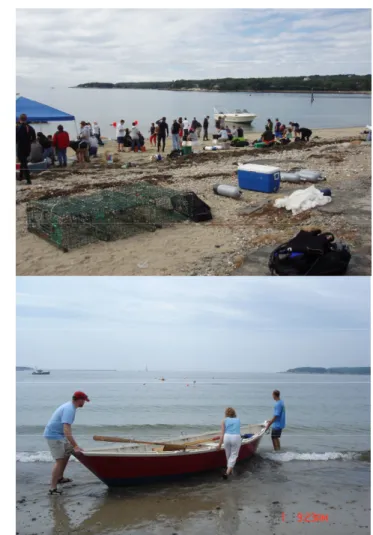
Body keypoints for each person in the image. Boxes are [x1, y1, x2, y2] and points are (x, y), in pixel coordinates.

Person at [43, 391, 90, 495]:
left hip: (60, 435)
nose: (84, 403)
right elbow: (66, 429)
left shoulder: (70, 407)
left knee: (67, 452)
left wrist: (73, 446)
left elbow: (66, 429)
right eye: (84, 401)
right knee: (59, 461)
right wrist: (76, 446)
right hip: (54, 436)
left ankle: (60, 478)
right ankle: (53, 488)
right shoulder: (69, 409)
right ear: (79, 400)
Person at [216, 407, 241, 479]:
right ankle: (227, 473)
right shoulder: (238, 420)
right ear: (234, 413)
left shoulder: (224, 420)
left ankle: (229, 471)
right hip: (235, 437)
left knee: (228, 455)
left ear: (226, 413)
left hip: (227, 437)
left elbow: (222, 433)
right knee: (234, 455)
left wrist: (219, 445)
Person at [16, 113, 36, 184]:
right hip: (28, 147)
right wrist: (29, 142)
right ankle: (21, 176)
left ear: (19, 119)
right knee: (23, 161)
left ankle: (28, 179)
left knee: (24, 163)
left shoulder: (18, 127)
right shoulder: (30, 128)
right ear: (26, 119)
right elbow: (34, 138)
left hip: (21, 147)